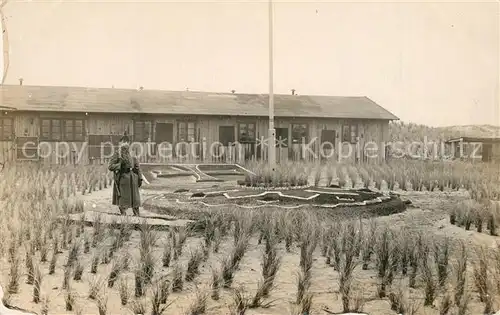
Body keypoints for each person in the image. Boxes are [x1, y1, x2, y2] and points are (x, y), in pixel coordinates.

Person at [108, 135, 142, 215]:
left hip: (132, 178)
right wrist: (119, 165)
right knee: (123, 200)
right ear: (121, 143)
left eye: (127, 142)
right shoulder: (117, 154)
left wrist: (139, 178)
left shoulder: (132, 153)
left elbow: (137, 166)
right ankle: (123, 217)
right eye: (123, 142)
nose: (125, 144)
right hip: (123, 178)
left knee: (135, 200)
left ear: (129, 143)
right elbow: (110, 166)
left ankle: (137, 216)